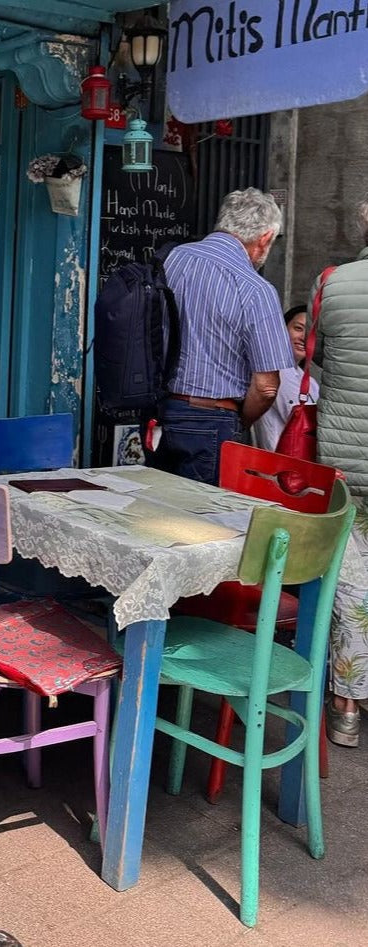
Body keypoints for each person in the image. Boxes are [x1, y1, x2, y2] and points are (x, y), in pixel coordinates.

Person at [146, 188, 294, 485]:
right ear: (264, 239)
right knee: (203, 524)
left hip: (158, 411)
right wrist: (238, 423)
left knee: (158, 513)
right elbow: (266, 387)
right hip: (213, 420)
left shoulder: (171, 259)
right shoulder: (256, 290)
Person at [311, 198, 368, 748]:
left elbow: (319, 355)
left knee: (352, 583)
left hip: (345, 462)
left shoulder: (332, 282)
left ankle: (346, 705)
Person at [253, 304, 319, 452]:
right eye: (298, 328)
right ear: (282, 331)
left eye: (310, 332)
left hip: (301, 463)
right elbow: (300, 421)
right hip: (277, 465)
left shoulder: (310, 381)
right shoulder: (278, 370)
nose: (304, 337)